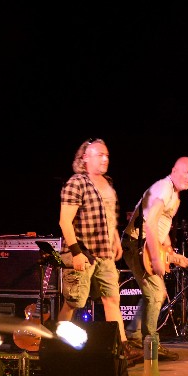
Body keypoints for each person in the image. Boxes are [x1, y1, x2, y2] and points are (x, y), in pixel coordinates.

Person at [56, 138, 137, 359]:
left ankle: (122, 347)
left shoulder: (108, 183)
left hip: (105, 254)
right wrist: (75, 252)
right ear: (85, 158)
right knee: (74, 302)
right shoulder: (76, 183)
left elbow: (110, 218)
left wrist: (115, 240)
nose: (105, 158)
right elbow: (65, 221)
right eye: (99, 154)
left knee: (112, 299)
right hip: (82, 251)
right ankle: (56, 344)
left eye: (107, 155)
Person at [121, 157, 188, 362]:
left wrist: (170, 254)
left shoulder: (175, 195)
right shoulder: (164, 187)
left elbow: (162, 227)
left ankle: (136, 338)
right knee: (156, 293)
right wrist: (156, 257)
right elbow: (149, 224)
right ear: (173, 170)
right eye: (184, 171)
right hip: (139, 245)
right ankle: (150, 345)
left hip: (146, 245)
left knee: (156, 293)